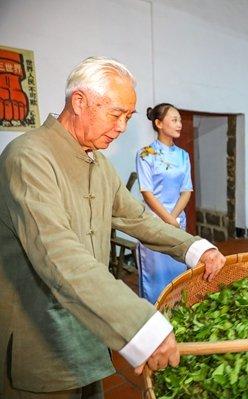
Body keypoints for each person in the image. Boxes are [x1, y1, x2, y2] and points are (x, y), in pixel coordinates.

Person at [0, 56, 226, 398]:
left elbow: (135, 217)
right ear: (79, 101)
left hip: (89, 332)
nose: (121, 127)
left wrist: (196, 247)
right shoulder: (28, 157)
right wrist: (142, 326)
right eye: (115, 114)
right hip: (41, 339)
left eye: (128, 117)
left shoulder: (97, 162)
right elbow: (57, 254)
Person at [135, 103, 194, 304]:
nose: (179, 124)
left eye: (179, 120)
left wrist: (175, 218)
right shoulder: (145, 154)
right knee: (155, 278)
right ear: (159, 123)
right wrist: (167, 218)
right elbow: (146, 191)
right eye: (174, 120)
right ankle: (154, 321)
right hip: (154, 223)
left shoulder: (183, 156)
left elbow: (187, 190)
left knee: (177, 273)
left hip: (177, 222)